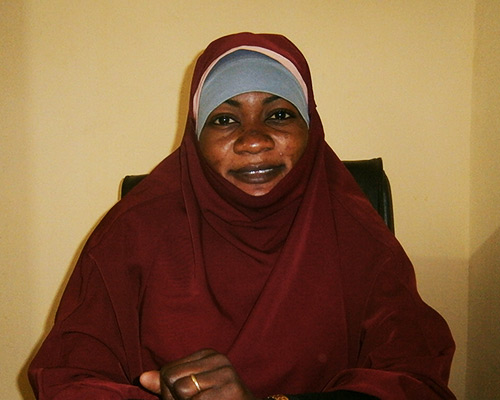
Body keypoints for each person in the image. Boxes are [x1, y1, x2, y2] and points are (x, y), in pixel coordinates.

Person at [29, 32, 456, 400]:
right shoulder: (133, 232)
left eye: (279, 115)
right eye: (225, 119)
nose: (253, 140)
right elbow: (69, 377)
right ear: (195, 140)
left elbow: (415, 380)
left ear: (311, 130)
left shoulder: (357, 235)